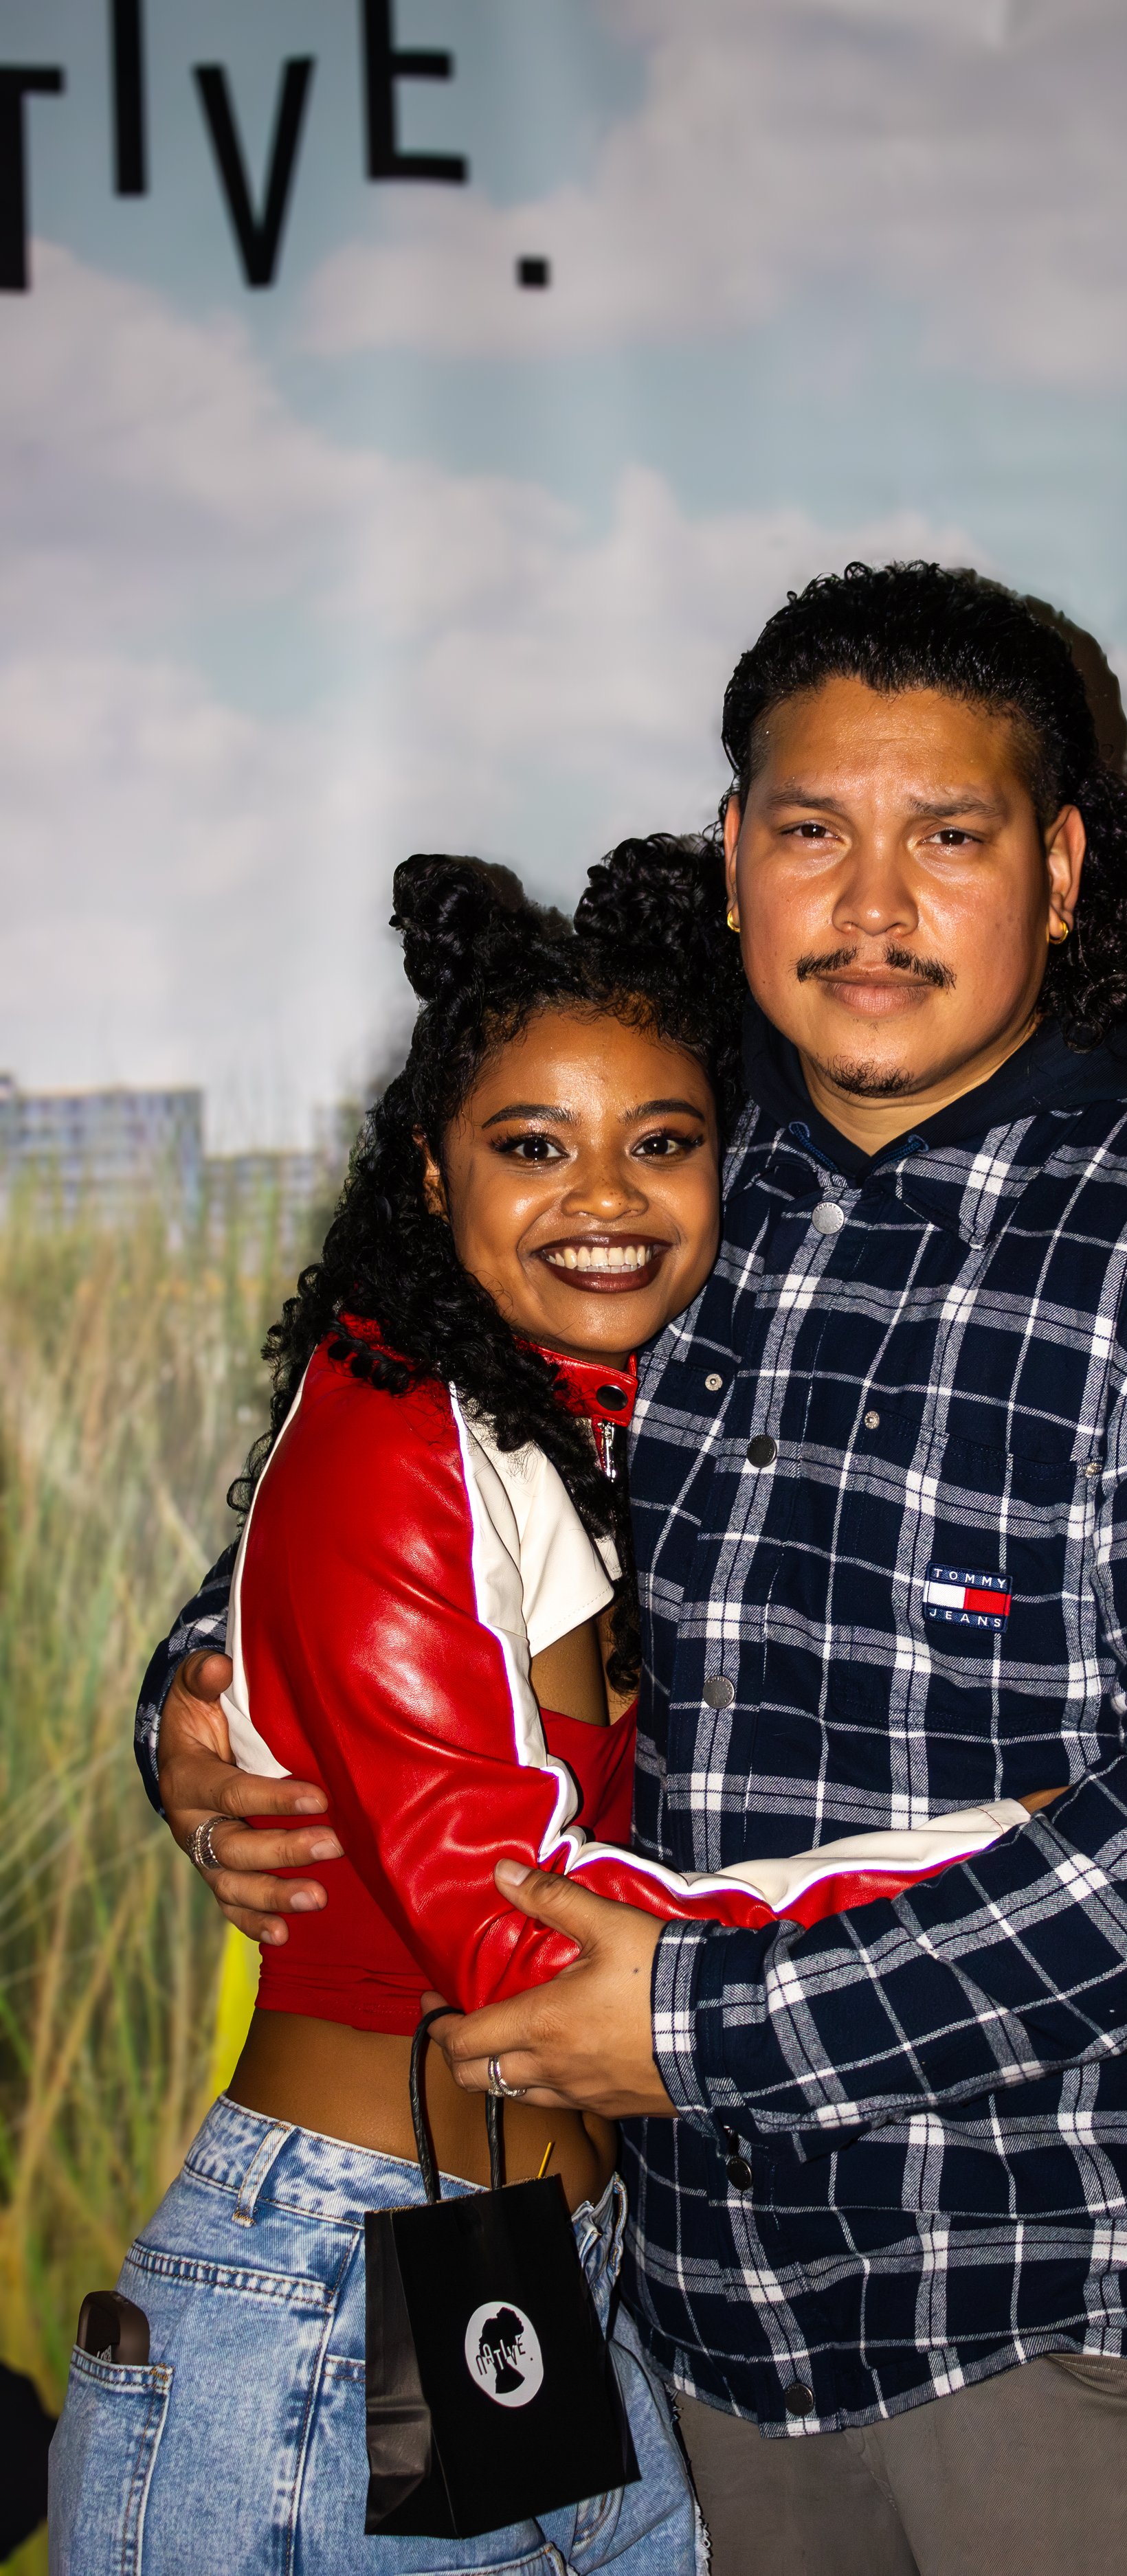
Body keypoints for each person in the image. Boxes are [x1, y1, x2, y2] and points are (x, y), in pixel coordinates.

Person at [140, 564, 1127, 2576]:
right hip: (696, 2299)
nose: (875, 902)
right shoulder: (667, 1169)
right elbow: (397, 1500)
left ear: (1062, 868)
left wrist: (707, 2023)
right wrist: (204, 1706)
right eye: (816, 830)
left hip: (1076, 2303)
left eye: (950, 836)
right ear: (736, 855)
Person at [51, 855, 723, 2576]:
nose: (606, 1195)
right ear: (430, 1173)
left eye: (661, 1140)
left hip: (546, 2281)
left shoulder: (576, 1438)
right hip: (333, 2292)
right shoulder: (397, 1426)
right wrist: (956, 1868)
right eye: (530, 1144)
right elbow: (527, 1952)